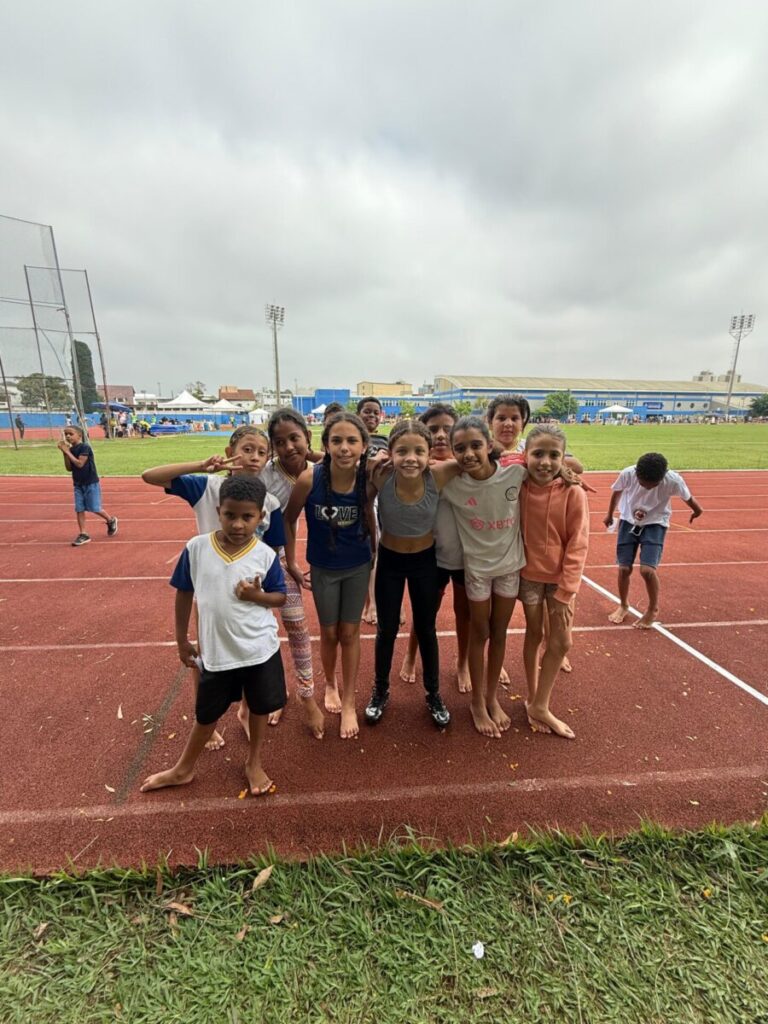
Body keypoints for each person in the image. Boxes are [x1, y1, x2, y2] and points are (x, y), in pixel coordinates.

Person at [141, 425, 324, 742]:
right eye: (246, 449)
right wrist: (202, 465)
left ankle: (253, 709)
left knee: (256, 649)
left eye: (261, 452)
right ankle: (207, 720)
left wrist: (270, 586)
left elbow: (273, 549)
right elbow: (150, 476)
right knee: (205, 653)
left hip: (250, 591)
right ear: (229, 453)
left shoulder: (269, 502)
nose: (253, 457)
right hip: (211, 586)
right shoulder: (206, 487)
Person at [141, 475, 287, 796]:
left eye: (247, 517)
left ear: (260, 517)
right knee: (206, 714)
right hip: (218, 654)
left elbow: (280, 597)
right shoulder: (197, 548)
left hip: (259, 650)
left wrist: (256, 596)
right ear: (219, 511)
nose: (238, 524)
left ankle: (254, 762)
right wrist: (182, 640)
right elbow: (184, 593)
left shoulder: (265, 555)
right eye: (230, 515)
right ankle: (183, 768)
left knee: (260, 707)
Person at [284, 412, 375, 740]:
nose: (344, 448)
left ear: (364, 445)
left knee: (350, 633)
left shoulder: (369, 477)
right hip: (323, 568)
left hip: (357, 566)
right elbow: (288, 519)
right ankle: (331, 684)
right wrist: (292, 563)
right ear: (325, 444)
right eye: (336, 440)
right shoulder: (310, 479)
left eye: (352, 441)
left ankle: (349, 700)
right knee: (329, 632)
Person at [365, 419, 455, 727]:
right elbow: (340, 460)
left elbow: (484, 456)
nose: (410, 458)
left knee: (426, 629)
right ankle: (380, 690)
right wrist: (372, 458)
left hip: (425, 563)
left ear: (430, 454)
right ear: (390, 452)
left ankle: (433, 693)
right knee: (386, 630)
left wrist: (565, 465)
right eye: (402, 451)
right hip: (390, 562)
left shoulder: (439, 474)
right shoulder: (381, 474)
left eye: (419, 451)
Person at [440, 417, 526, 739]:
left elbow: (561, 462)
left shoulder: (515, 474)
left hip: (510, 568)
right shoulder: (452, 485)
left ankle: (491, 698)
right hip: (476, 572)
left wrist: (565, 469)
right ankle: (476, 702)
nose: (468, 454)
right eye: (460, 448)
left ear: (490, 445)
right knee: (480, 632)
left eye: (476, 445)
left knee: (500, 632)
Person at [519, 425, 589, 740]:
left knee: (561, 642)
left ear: (563, 458)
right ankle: (534, 699)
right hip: (528, 577)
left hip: (559, 580)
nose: (545, 462)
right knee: (534, 634)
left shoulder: (573, 492)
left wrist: (567, 589)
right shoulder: (517, 484)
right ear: (525, 455)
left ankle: (539, 704)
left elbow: (578, 542)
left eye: (553, 455)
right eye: (538, 454)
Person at [398, 403, 473, 693]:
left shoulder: (469, 466)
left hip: (466, 556)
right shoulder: (416, 469)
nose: (441, 435)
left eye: (447, 429)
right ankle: (410, 655)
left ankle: (463, 662)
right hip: (431, 556)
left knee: (464, 613)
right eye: (433, 430)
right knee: (424, 611)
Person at [604, 452, 703, 628]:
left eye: (653, 485)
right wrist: (609, 514)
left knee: (647, 570)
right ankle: (623, 605)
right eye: (644, 484)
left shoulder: (673, 480)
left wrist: (697, 510)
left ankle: (652, 609)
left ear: (663, 476)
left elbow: (687, 497)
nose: (648, 487)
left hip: (655, 524)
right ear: (637, 473)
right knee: (624, 568)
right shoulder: (628, 474)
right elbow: (616, 492)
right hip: (628, 521)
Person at [356, 397, 388, 625]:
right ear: (358, 414)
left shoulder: (385, 440)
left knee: (379, 552)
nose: (372, 416)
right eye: (367, 411)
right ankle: (368, 601)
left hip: (382, 498)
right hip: (359, 498)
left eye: (376, 412)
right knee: (366, 552)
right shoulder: (353, 438)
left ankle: (376, 602)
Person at [58, 425, 118, 546]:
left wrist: (67, 452)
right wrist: (65, 453)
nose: (68, 436)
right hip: (78, 483)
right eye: (66, 434)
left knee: (94, 508)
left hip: (90, 482)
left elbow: (80, 464)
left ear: (79, 435)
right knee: (79, 509)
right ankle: (83, 533)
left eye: (71, 434)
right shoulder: (70, 450)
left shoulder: (84, 447)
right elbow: (69, 468)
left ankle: (110, 520)